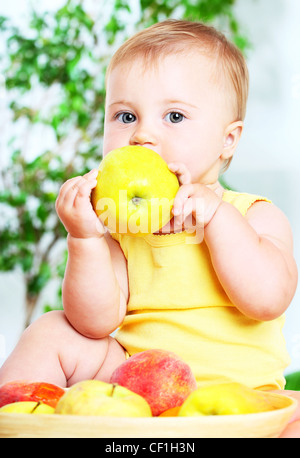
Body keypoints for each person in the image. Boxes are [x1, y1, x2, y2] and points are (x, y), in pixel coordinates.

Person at [0, 20, 299, 436]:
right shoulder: (124, 228)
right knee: (53, 329)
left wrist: (216, 218)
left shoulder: (253, 215)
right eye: (125, 116)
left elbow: (268, 299)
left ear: (228, 140)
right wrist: (84, 238)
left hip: (236, 400)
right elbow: (93, 323)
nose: (141, 135)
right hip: (136, 391)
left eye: (174, 116)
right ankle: (26, 422)